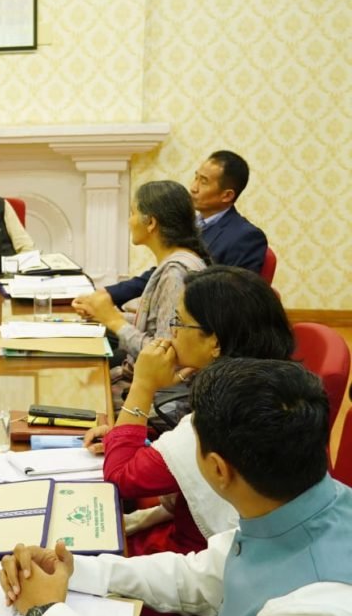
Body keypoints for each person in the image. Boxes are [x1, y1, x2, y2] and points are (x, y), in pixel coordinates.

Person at [0, 358, 352, 616]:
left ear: (218, 469)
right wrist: (75, 570)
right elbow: (203, 577)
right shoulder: (298, 505)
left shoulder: (323, 612)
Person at [83, 267, 296, 557]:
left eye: (179, 322)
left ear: (215, 343)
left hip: (202, 557)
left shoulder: (226, 412)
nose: (171, 332)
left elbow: (120, 480)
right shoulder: (269, 381)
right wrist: (130, 437)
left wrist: (143, 385)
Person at [73, 180, 209, 404]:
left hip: (159, 398)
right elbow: (158, 325)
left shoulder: (175, 273)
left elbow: (164, 358)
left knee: (76, 394)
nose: (129, 221)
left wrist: (114, 320)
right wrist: (102, 314)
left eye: (133, 213)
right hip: (149, 386)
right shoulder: (180, 261)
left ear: (151, 222)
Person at [104, 150, 267, 308]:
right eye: (196, 177)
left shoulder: (245, 237)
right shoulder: (192, 223)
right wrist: (109, 294)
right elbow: (163, 272)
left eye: (203, 182)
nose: (193, 188)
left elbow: (234, 302)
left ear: (227, 195)